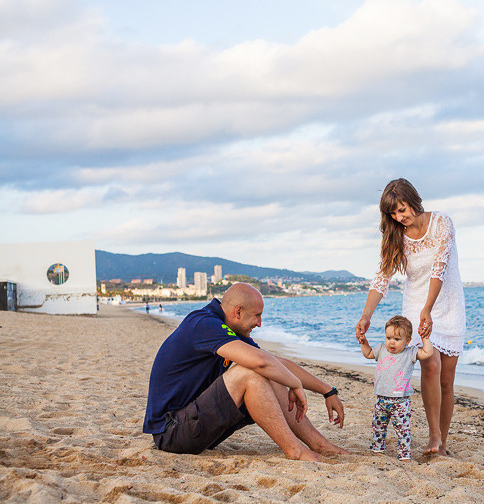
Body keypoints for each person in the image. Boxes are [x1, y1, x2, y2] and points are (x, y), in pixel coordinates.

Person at [143, 283, 347, 461]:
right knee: (251, 373)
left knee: (269, 371)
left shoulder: (227, 329)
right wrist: (294, 384)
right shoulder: (204, 324)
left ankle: (320, 444)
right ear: (238, 312)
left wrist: (327, 390)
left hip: (194, 425)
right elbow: (260, 363)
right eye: (257, 316)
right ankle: (294, 450)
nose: (260, 323)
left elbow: (274, 362)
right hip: (171, 433)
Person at [355, 178, 466, 456]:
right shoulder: (395, 235)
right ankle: (433, 437)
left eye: (402, 209)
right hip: (416, 305)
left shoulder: (442, 223)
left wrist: (429, 308)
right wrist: (367, 315)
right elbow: (381, 278)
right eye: (393, 213)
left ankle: (443, 442)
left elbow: (439, 270)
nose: (399, 217)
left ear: (413, 200)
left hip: (446, 302)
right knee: (430, 365)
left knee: (447, 380)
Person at [357, 315, 434, 460]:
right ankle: (378, 449)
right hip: (381, 398)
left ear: (408, 341)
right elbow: (367, 353)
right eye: (388, 338)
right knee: (378, 425)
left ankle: (404, 454)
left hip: (400, 401)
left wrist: (425, 338)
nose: (391, 343)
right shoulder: (381, 349)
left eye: (397, 340)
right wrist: (364, 342)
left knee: (402, 429)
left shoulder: (410, 352)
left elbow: (427, 353)